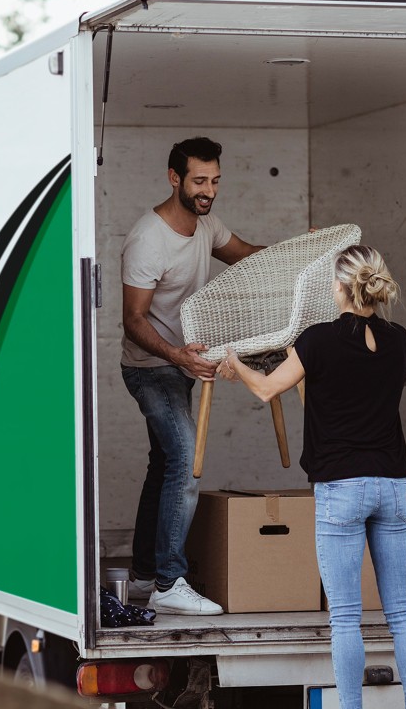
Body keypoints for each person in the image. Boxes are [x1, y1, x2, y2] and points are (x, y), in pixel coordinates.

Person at [217, 245, 406, 709]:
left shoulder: (317, 341)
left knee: (347, 619)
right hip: (393, 486)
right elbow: (348, 389)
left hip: (343, 488)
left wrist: (236, 365)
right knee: (402, 615)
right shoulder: (400, 340)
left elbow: (269, 387)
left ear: (340, 287)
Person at [120, 136, 265, 616]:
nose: (209, 190)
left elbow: (246, 254)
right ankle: (169, 580)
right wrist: (180, 358)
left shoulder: (207, 224)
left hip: (181, 363)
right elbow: (134, 322)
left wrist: (297, 252)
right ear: (174, 178)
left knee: (162, 464)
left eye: (215, 181)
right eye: (199, 181)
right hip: (149, 368)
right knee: (185, 456)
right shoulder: (148, 238)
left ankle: (143, 576)